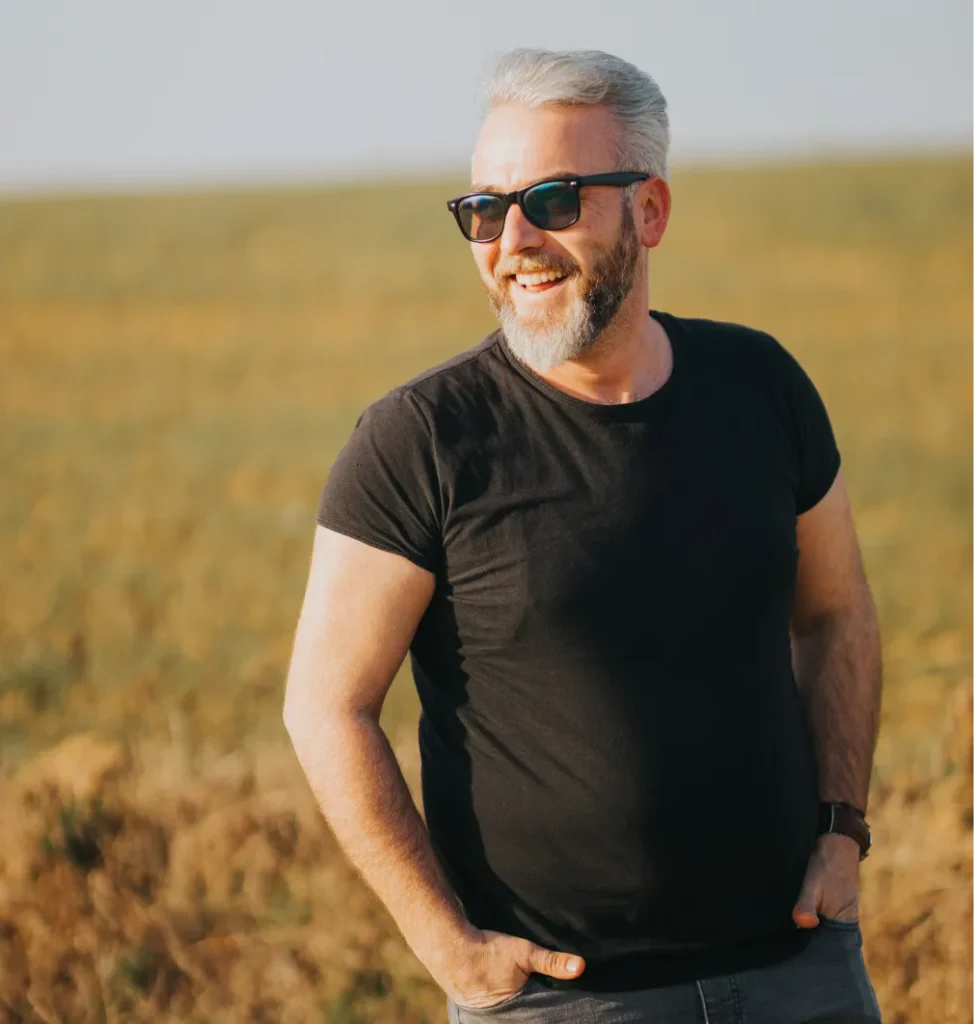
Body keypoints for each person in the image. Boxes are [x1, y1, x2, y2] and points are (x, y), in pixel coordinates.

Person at [283, 48, 884, 1024]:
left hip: (798, 969)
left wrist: (841, 830)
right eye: (483, 209)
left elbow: (834, 613)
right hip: (564, 1002)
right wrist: (448, 947)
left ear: (648, 210)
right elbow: (324, 706)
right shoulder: (420, 441)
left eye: (553, 199)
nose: (511, 238)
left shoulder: (760, 387)